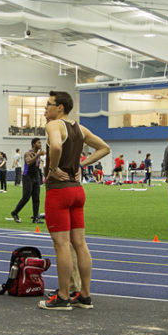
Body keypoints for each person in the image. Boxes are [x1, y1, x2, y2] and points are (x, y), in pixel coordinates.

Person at [39, 90, 111, 310]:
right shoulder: (80, 128)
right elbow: (104, 148)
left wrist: (52, 168)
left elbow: (57, 146)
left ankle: (62, 296)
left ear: (60, 107)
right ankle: (85, 296)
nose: (45, 110)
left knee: (61, 245)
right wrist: (83, 164)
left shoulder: (54, 125)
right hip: (77, 191)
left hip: (59, 191)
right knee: (80, 244)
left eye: (48, 105)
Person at [9, 139, 42, 223]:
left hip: (36, 176)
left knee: (36, 197)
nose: (40, 144)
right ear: (33, 144)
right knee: (26, 197)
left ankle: (35, 218)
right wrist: (38, 155)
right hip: (27, 177)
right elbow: (29, 162)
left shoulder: (38, 155)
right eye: (38, 143)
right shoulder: (28, 153)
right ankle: (15, 212)